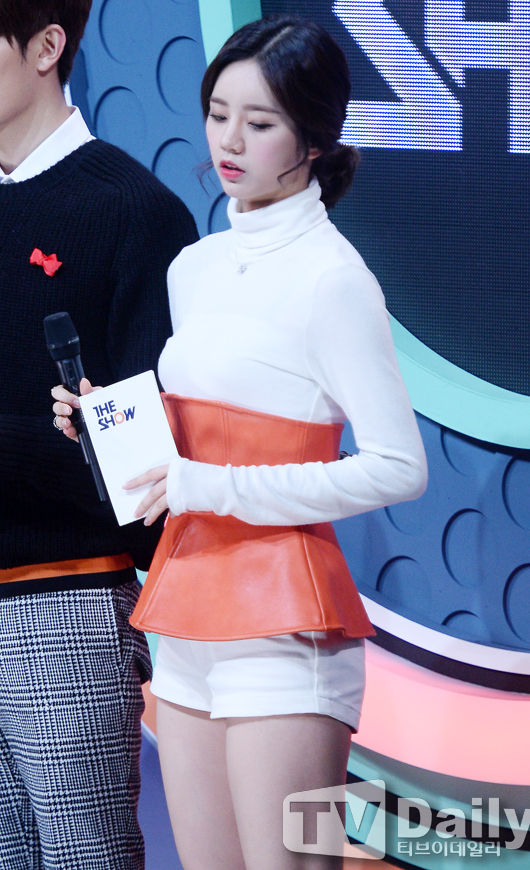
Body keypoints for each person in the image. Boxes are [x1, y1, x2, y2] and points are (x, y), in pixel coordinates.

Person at [55, 14, 427, 870]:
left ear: (313, 140)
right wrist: (112, 423)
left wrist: (214, 486)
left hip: (285, 629)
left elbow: (399, 467)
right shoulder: (196, 268)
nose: (228, 141)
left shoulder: (333, 280)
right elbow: (210, 428)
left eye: (259, 123)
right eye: (218, 113)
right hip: (187, 616)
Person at [1, 1, 198, 867]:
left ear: (48, 45)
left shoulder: (134, 213)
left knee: (86, 855)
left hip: (65, 601)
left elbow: (143, 473)